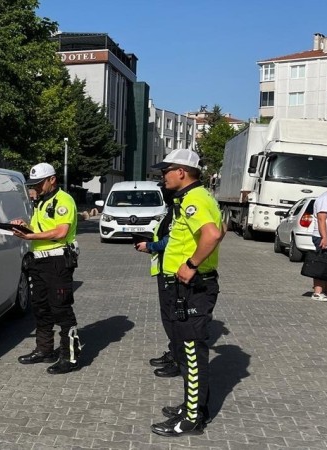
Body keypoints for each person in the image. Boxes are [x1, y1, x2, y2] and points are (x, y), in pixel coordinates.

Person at [149, 149, 223, 437]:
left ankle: (192, 419)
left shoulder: (194, 199)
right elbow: (223, 228)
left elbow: (213, 234)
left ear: (181, 171)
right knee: (185, 350)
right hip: (184, 286)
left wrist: (192, 263)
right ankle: (193, 407)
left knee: (191, 353)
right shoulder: (193, 198)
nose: (162, 177)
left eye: (165, 171)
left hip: (193, 286)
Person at [10, 162, 82, 375]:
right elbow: (42, 229)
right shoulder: (41, 202)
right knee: (41, 307)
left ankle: (70, 356)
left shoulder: (63, 201)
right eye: (34, 185)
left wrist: (30, 236)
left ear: (52, 179)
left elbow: (60, 232)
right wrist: (24, 226)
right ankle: (44, 349)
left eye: (40, 184)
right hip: (39, 261)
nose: (36, 188)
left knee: (60, 308)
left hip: (57, 261)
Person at [135, 182, 180, 378]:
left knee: (174, 319)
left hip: (175, 271)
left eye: (165, 188)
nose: (164, 192)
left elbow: (171, 240)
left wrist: (151, 246)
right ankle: (174, 352)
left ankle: (179, 360)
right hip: (166, 269)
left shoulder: (180, 209)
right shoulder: (171, 209)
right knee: (168, 317)